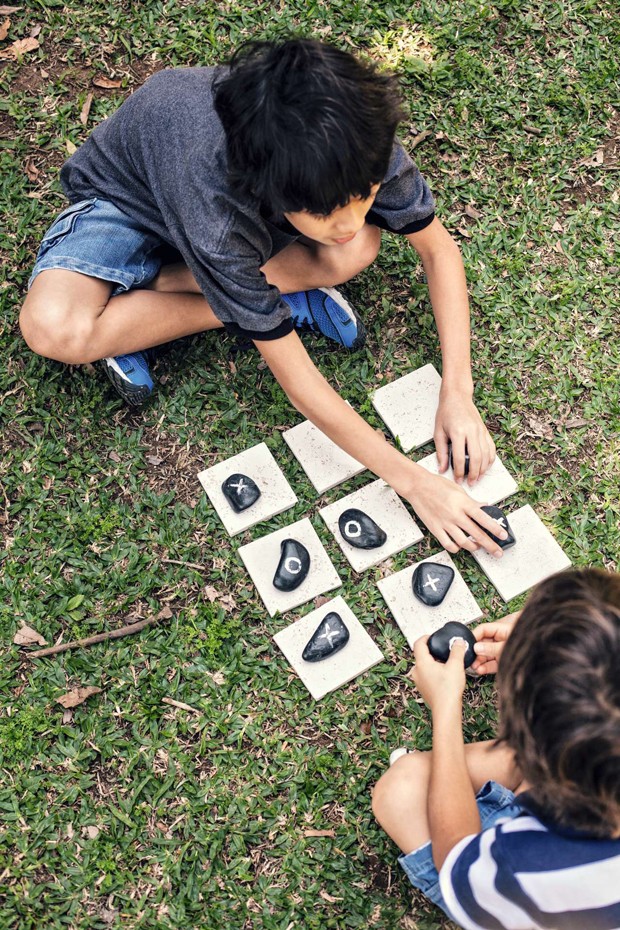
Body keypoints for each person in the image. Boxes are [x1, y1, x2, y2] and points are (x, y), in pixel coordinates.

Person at [19, 38, 507, 557]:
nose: (349, 219)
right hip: (128, 207)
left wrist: (458, 391)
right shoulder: (219, 212)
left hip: (224, 238)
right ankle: (242, 299)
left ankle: (204, 297)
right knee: (52, 326)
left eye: (363, 194)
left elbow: (439, 252)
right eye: (323, 212)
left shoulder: (358, 141)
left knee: (354, 252)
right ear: (267, 189)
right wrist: (416, 483)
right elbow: (299, 385)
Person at [372, 567, 620, 929]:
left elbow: (455, 856)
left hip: (517, 889)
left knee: (401, 788)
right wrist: (550, 644)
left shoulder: (522, 866)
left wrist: (445, 709)